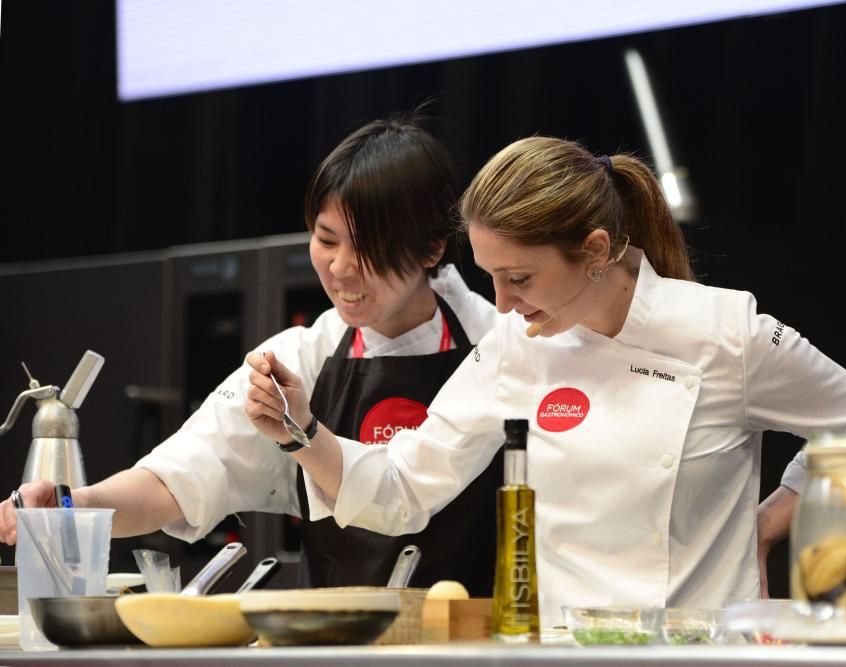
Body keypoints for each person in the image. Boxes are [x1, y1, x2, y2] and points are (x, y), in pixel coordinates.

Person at [244, 136, 846, 625]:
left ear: (593, 251)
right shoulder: (511, 346)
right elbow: (403, 487)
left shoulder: (727, 332)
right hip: (561, 654)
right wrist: (303, 431)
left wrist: (767, 522)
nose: (498, 305)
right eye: (489, 276)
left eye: (519, 278)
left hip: (705, 654)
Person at [0, 114, 501, 593]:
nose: (342, 268)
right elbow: (185, 472)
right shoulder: (297, 360)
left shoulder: (501, 346)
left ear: (432, 249)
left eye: (370, 248)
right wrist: (74, 507)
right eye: (326, 240)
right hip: (340, 643)